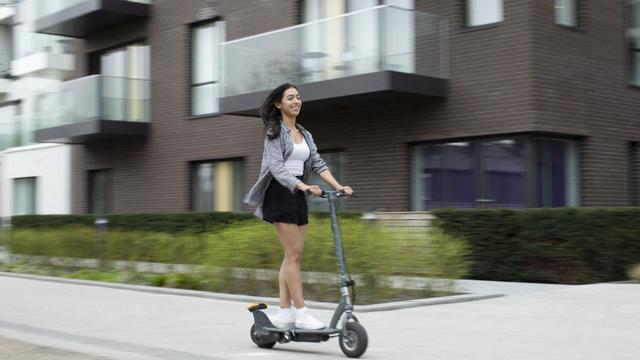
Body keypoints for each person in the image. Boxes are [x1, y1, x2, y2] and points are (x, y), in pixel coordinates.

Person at [244, 83, 353, 330]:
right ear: (278, 104)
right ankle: (301, 313)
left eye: (298, 97)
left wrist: (339, 186)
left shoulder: (305, 134)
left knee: (293, 255)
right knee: (293, 254)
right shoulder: (273, 131)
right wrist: (303, 187)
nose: (296, 101)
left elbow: (316, 162)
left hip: (298, 195)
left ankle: (284, 313)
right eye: (290, 97)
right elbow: (277, 168)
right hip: (279, 193)